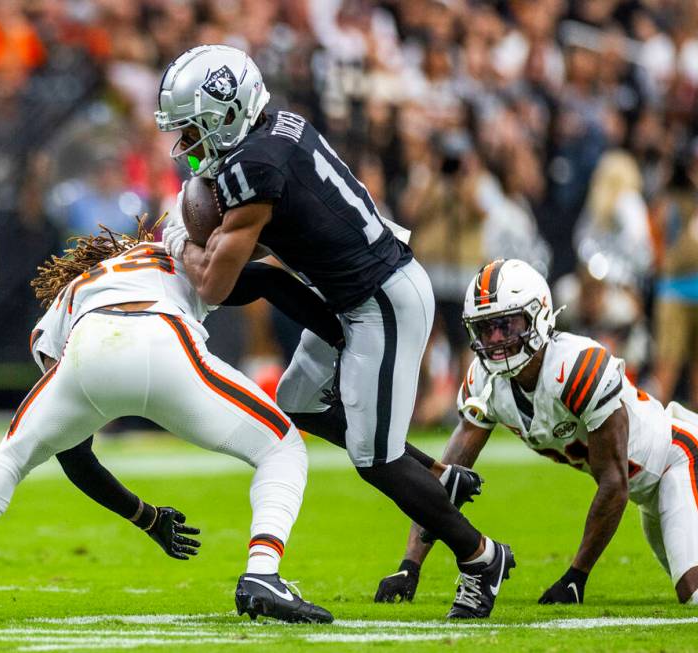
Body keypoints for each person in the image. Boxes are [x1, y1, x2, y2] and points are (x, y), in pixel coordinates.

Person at [155, 44, 514, 619]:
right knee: (296, 403)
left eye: (194, 129)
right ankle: (437, 476)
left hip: (381, 298)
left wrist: (175, 235)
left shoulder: (255, 165)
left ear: (227, 112)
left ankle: (480, 555)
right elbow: (270, 260)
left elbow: (215, 285)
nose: (188, 147)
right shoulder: (275, 127)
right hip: (344, 291)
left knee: (376, 459)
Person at [0, 228, 332, 624]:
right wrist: (341, 328)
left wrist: (143, 515)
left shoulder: (68, 295)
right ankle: (263, 574)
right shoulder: (167, 252)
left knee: (9, 458)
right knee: (281, 446)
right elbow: (264, 275)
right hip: (163, 335)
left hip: (89, 343)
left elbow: (73, 454)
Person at [374, 259, 698, 606]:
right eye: (486, 328)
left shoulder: (577, 366)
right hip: (647, 487)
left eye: (508, 324)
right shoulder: (485, 382)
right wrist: (410, 565)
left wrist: (576, 576)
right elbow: (445, 480)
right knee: (696, 586)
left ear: (539, 316)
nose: (497, 339)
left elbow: (614, 483)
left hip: (679, 460)